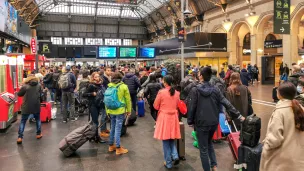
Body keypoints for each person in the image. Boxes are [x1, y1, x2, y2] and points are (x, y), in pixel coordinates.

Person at [187, 67, 244, 171]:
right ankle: (214, 166)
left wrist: (190, 121)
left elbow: (192, 107)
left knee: (203, 149)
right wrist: (239, 115)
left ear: (201, 76)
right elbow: (226, 103)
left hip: (201, 123)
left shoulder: (195, 90)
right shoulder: (215, 90)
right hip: (213, 122)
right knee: (209, 143)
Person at [260, 82, 304, 171]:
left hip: (282, 161)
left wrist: (265, 148)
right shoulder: (301, 109)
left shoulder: (279, 112)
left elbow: (274, 139)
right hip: (298, 159)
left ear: (280, 94)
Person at [153, 75, 181, 169]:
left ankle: (168, 163)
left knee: (165, 141)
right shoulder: (177, 93)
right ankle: (175, 155)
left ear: (165, 82)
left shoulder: (161, 92)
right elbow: (177, 105)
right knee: (171, 139)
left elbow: (155, 106)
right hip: (174, 117)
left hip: (164, 117)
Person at [107, 72, 132, 155]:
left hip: (111, 110)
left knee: (113, 127)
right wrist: (129, 110)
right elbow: (128, 100)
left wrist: (107, 111)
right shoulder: (124, 87)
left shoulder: (109, 86)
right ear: (121, 78)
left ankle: (111, 146)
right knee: (118, 129)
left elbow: (106, 100)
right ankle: (118, 148)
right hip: (120, 110)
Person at [17, 74, 42, 144]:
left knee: (23, 121)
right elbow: (40, 94)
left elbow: (19, 94)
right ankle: (38, 134)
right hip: (36, 105)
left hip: (26, 106)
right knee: (38, 119)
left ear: (28, 79)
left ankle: (20, 137)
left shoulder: (25, 86)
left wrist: (21, 87)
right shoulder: (39, 85)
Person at [83, 72, 107, 143]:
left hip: (98, 104)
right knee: (95, 121)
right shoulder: (91, 85)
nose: (98, 78)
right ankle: (96, 137)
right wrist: (92, 94)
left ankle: (93, 135)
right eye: (96, 77)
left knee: (95, 121)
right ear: (93, 78)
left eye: (98, 76)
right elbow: (84, 94)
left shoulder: (100, 85)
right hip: (92, 105)